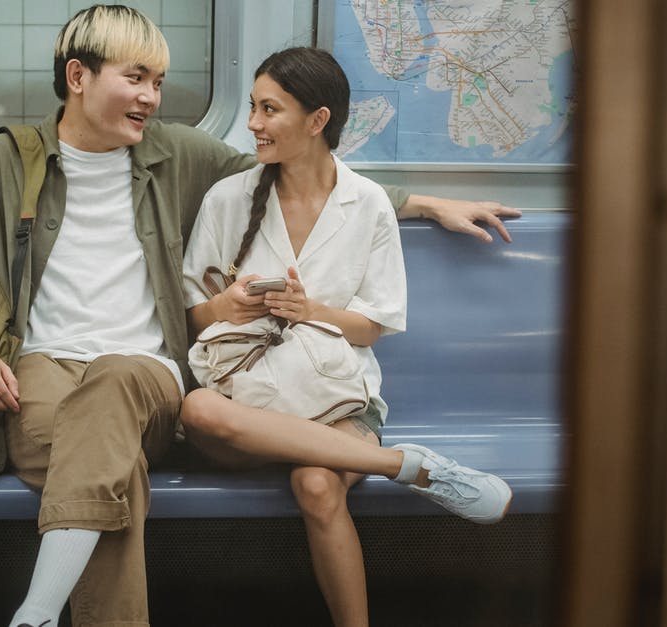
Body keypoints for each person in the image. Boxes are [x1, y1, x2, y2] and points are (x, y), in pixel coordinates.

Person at [0, 6, 519, 627]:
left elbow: (303, 174)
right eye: (137, 78)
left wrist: (425, 202)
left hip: (145, 376)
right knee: (105, 468)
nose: (151, 98)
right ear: (77, 75)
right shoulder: (3, 165)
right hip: (43, 370)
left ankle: (36, 612)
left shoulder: (176, 152)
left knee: (114, 387)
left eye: (159, 83)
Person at [178, 47, 513, 627]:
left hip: (332, 402)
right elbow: (193, 318)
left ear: (318, 120)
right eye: (253, 107)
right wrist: (227, 306)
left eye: (269, 109)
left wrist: (311, 310)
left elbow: (372, 326)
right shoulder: (227, 199)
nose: (253, 123)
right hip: (245, 406)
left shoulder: (367, 205)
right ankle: (405, 466)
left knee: (316, 484)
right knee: (199, 408)